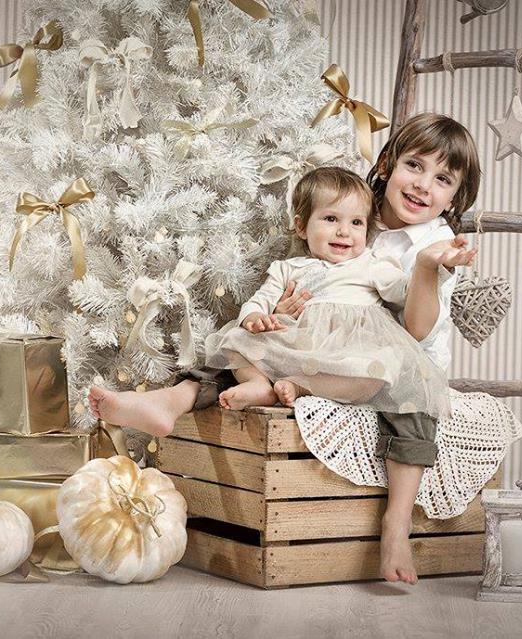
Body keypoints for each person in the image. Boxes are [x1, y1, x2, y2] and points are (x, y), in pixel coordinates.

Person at [89, 112, 482, 585]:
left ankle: (396, 526)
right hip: (320, 342)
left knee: (412, 406)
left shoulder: (436, 242)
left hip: (395, 356)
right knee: (244, 346)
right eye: (414, 166)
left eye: (443, 179)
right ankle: (168, 401)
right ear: (387, 165)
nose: (422, 184)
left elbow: (415, 330)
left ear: (455, 197)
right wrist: (281, 312)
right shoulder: (355, 206)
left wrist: (426, 267)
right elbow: (302, 280)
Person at [200, 166, 471, 423]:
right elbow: (261, 299)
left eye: (356, 222)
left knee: (383, 366)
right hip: (299, 346)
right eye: (331, 219)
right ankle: (258, 384)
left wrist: (435, 267)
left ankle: (301, 387)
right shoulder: (288, 268)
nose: (344, 231)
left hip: (350, 352)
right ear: (302, 227)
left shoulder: (373, 262)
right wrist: (254, 317)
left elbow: (405, 292)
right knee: (235, 339)